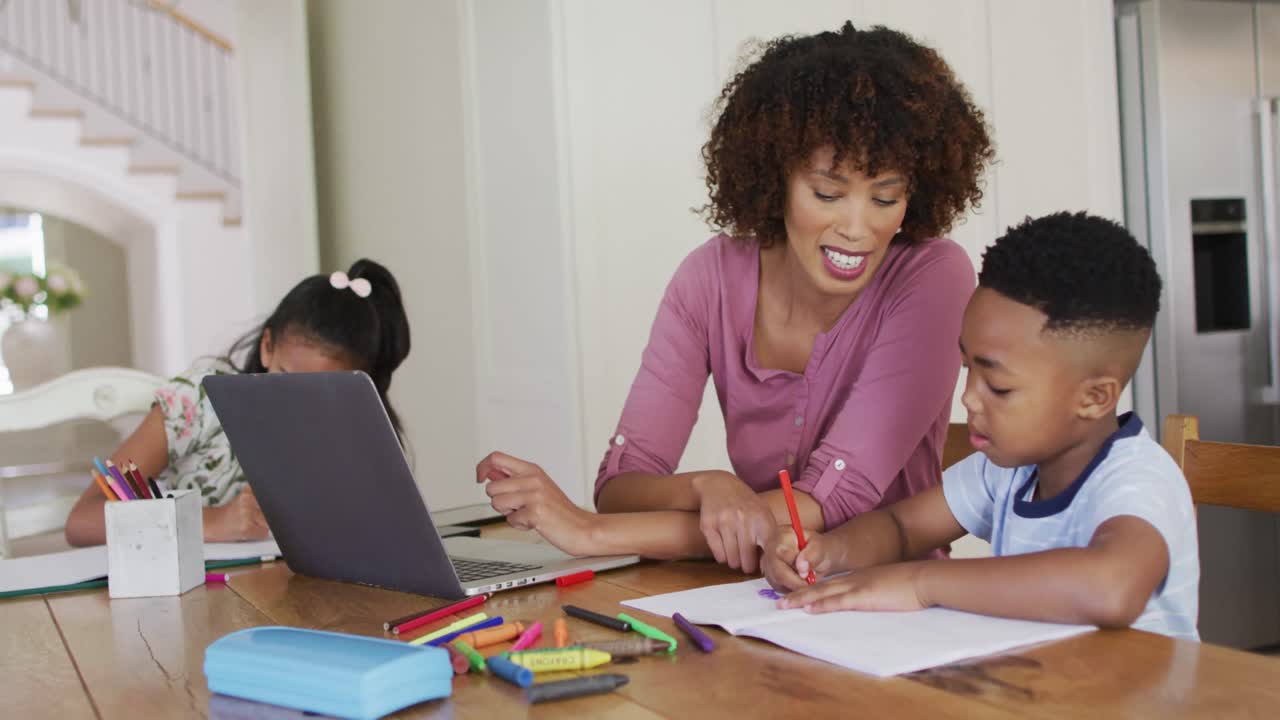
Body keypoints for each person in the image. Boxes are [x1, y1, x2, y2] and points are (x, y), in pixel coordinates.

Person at [476, 22, 994, 570]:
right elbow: (623, 485)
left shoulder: (934, 276)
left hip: (897, 602)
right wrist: (708, 486)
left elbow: (829, 502)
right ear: (776, 178)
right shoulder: (710, 280)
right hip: (752, 592)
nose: (857, 228)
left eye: (885, 198)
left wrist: (590, 534)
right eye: (826, 193)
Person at [762, 212, 1199, 640]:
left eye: (1000, 387)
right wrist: (828, 551)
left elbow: (1111, 588)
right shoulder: (1008, 469)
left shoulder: (1137, 480)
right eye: (968, 367)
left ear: (1094, 398)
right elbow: (902, 527)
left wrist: (921, 582)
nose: (969, 397)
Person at [65, 259, 411, 546]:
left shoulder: (351, 430)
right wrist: (211, 523)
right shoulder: (199, 402)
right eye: (286, 378)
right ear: (267, 347)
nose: (297, 405)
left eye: (321, 391)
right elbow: (82, 522)